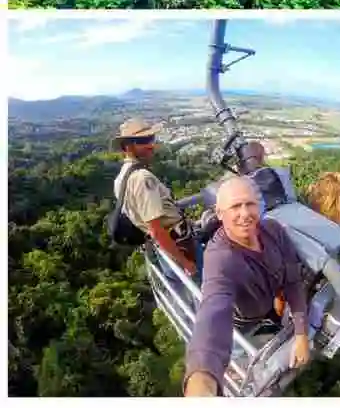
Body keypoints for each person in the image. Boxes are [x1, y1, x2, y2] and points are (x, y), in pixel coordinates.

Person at [183, 176, 310, 397]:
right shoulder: (220, 258)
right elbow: (213, 312)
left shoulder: (273, 230)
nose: (245, 213)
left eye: (250, 204)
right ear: (220, 214)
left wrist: (301, 334)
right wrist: (201, 379)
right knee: (240, 361)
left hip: (269, 307)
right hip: (240, 324)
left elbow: (292, 281)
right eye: (235, 206)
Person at [113, 118, 198, 276]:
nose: (151, 145)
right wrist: (185, 263)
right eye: (144, 140)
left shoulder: (121, 178)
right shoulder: (142, 178)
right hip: (179, 247)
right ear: (127, 147)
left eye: (151, 138)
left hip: (166, 250)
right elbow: (156, 230)